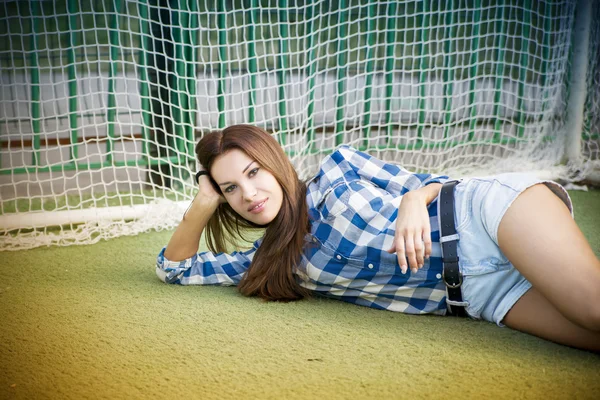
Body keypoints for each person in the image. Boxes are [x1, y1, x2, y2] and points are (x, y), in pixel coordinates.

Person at [157, 124, 600, 352]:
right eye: (230, 188)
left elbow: (437, 182)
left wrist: (411, 203)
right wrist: (201, 205)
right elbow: (174, 268)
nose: (248, 194)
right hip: (479, 296)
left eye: (253, 173)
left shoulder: (338, 168)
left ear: (273, 162)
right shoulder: (270, 262)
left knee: (593, 308)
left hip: (477, 217)